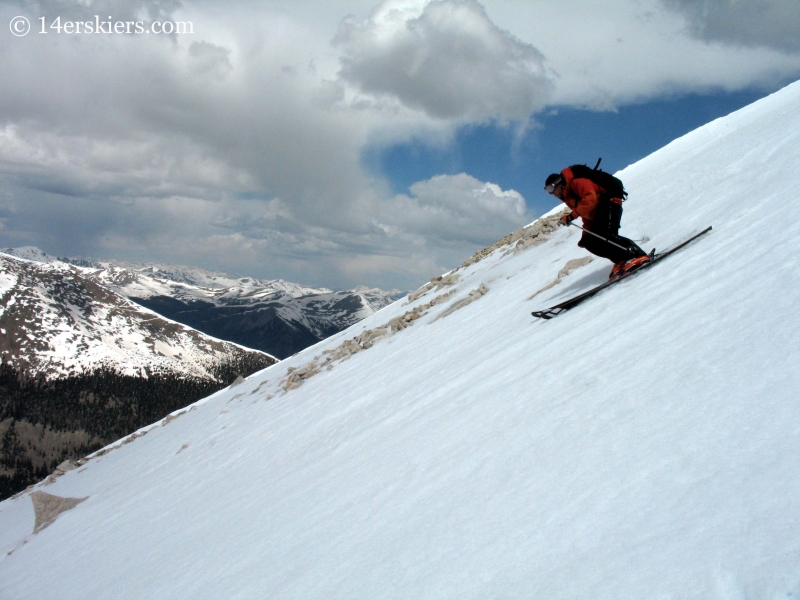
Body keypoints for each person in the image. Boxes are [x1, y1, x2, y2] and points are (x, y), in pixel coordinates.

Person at [544, 167, 648, 278]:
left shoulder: (577, 183)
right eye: (547, 190)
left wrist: (572, 215)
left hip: (609, 202)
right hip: (599, 211)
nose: (551, 193)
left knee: (605, 235)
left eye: (551, 189)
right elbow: (586, 214)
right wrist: (585, 235)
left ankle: (637, 255)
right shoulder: (569, 198)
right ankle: (621, 259)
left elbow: (591, 199)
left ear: (559, 184)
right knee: (590, 242)